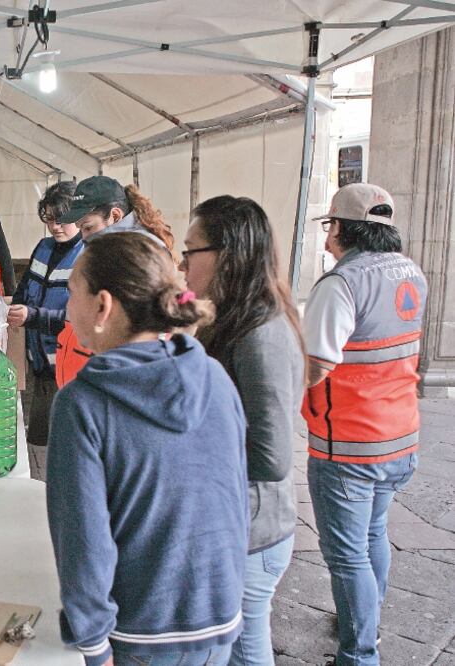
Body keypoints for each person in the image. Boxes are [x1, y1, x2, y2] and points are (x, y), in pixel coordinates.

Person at [47, 232, 248, 666]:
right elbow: (233, 496)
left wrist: (93, 643)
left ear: (103, 306)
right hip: (219, 619)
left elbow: (84, 542)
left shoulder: (83, 403)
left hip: (142, 635)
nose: (66, 308)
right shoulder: (213, 375)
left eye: (72, 293)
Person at [302, 184, 426, 666]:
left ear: (342, 228)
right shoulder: (410, 271)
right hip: (400, 434)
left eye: (330, 226)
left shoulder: (342, 283)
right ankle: (365, 618)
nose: (326, 237)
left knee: (347, 554)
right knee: (373, 533)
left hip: (349, 444)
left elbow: (317, 365)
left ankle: (359, 654)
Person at [181, 196, 304, 666]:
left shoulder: (260, 332)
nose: (183, 264)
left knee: (245, 652)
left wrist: (185, 457)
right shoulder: (233, 318)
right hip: (234, 523)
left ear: (227, 255)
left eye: (191, 252)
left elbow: (271, 456)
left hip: (253, 532)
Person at [46, 175, 174, 388]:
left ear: (115, 216)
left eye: (88, 227)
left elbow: (144, 335)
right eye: (81, 229)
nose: (84, 237)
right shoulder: (110, 247)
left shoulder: (139, 253)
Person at [6, 182, 83, 480]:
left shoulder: (86, 255)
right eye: (49, 219)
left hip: (69, 367)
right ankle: (38, 482)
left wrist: (33, 316)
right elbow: (26, 286)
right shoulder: (44, 247)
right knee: (37, 439)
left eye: (61, 219)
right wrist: (17, 307)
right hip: (40, 364)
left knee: (64, 445)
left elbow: (81, 319)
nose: (55, 227)